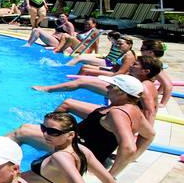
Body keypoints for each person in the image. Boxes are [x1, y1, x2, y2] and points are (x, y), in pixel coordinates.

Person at [9, 74, 155, 176]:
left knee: (21, 132)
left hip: (78, 152)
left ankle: (3, 166)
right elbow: (149, 135)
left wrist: (110, 176)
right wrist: (132, 158)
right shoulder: (134, 110)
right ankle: (53, 132)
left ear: (122, 93)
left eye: (112, 86)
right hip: (84, 147)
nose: (107, 87)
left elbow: (128, 147)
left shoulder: (117, 114)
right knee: (66, 105)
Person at [32, 56, 163, 122]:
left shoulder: (145, 87)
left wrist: (137, 132)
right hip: (121, 108)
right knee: (82, 83)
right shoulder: (139, 81)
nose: (131, 65)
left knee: (69, 101)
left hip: (122, 118)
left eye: (135, 64)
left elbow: (150, 112)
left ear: (145, 71)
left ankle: (52, 130)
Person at [140, 40, 173, 107]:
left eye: (142, 49)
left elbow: (168, 85)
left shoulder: (153, 65)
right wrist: (158, 93)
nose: (140, 51)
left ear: (151, 52)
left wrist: (162, 103)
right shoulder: (151, 63)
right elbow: (162, 82)